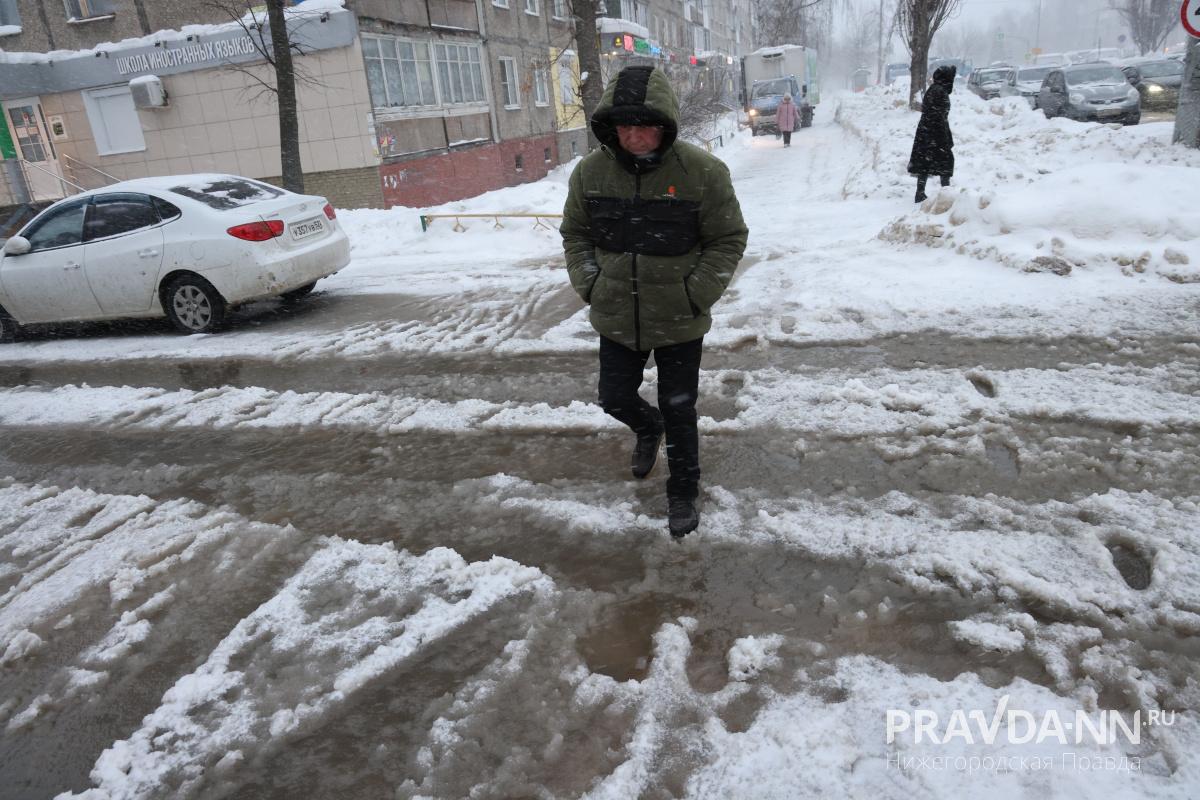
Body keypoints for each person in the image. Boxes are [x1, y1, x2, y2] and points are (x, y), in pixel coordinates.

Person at [560, 65, 749, 538]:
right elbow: (576, 235)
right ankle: (648, 427)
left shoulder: (701, 172)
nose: (634, 135)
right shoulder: (591, 173)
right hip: (616, 313)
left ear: (664, 124)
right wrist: (590, 284)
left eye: (644, 124)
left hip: (679, 319)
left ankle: (683, 489)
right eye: (624, 125)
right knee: (614, 397)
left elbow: (728, 239)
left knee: (681, 409)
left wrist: (695, 293)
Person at [907, 64, 956, 202]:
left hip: (927, 130)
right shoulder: (941, 92)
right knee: (945, 162)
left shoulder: (932, 89)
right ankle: (946, 192)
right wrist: (944, 136)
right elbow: (941, 115)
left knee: (925, 162)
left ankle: (920, 192)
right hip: (937, 131)